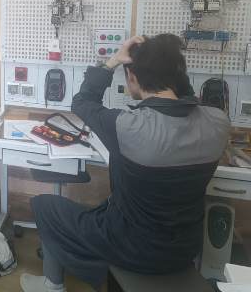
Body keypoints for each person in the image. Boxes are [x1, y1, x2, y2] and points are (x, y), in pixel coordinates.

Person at [21, 34, 231, 292]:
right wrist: (170, 65)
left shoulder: (129, 126)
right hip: (184, 249)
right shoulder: (218, 123)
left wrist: (113, 61)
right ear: (178, 77)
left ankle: (53, 285)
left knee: (46, 206)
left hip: (131, 248)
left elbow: (82, 101)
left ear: (132, 77)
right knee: (101, 211)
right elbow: (187, 98)